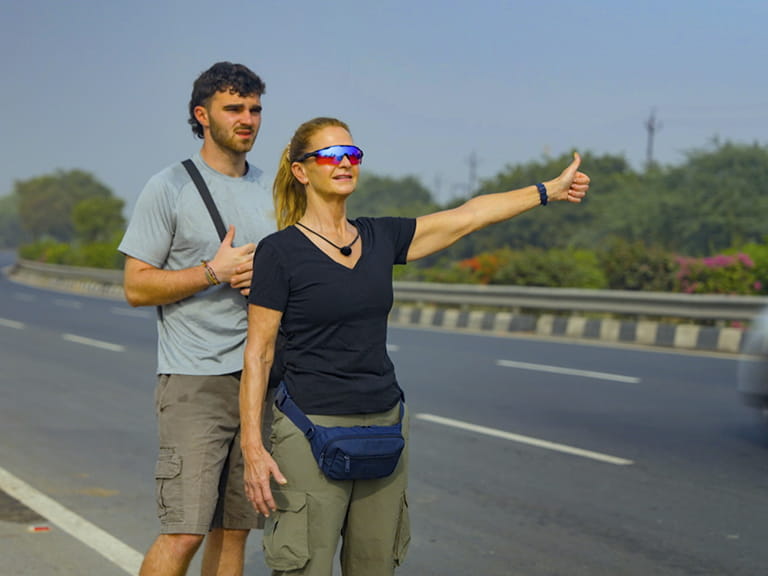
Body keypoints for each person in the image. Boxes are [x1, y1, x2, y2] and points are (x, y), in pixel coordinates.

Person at [240, 117, 590, 576]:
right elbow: (259, 353)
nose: (344, 163)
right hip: (310, 430)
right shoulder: (279, 252)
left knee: (376, 567)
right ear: (302, 171)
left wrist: (548, 190)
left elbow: (469, 215)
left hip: (384, 426)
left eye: (352, 154)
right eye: (330, 155)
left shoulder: (380, 237)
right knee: (303, 567)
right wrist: (252, 445)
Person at [118, 62, 276, 576]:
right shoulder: (169, 187)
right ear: (202, 115)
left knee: (234, 533)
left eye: (254, 109)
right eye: (234, 108)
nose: (247, 119)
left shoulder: (276, 192)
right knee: (184, 530)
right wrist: (214, 271)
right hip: (195, 380)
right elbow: (136, 286)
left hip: (261, 380)